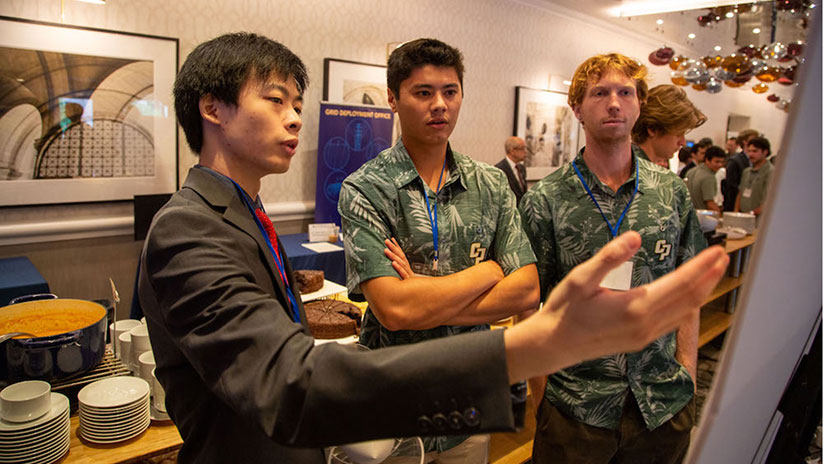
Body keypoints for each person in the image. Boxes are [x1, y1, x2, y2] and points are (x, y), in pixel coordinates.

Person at [139, 33, 730, 464]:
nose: (294, 119)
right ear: (212, 108)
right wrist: (512, 317)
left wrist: (434, 288)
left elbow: (525, 289)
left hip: (464, 418)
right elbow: (305, 371)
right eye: (276, 101)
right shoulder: (191, 227)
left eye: (297, 103)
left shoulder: (245, 211)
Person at [338, 39, 540, 463]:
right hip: (392, 404)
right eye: (423, 92)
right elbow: (394, 310)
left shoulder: (490, 184)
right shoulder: (366, 189)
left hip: (469, 398)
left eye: (450, 91)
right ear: (393, 98)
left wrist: (423, 296)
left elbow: (526, 291)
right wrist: (486, 273)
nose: (440, 105)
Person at [519, 53, 710, 464]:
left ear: (639, 105)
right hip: (575, 405)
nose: (613, 104)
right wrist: (542, 397)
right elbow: (529, 305)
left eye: (625, 93)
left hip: (661, 404)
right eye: (599, 93)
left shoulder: (671, 193)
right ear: (577, 108)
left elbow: (688, 289)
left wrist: (688, 377)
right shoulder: (545, 199)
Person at [632, 84, 706, 169]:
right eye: (678, 134)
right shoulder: (630, 170)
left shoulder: (634, 166)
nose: (683, 142)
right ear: (653, 129)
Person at [735, 136, 774, 216]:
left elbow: (769, 200)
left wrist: (751, 214)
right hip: (742, 216)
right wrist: (736, 213)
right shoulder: (746, 172)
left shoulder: (770, 172)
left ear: (765, 152)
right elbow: (740, 194)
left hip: (758, 218)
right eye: (749, 151)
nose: (751, 154)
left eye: (755, 151)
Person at [722, 129, 759, 211]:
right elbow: (731, 185)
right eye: (753, 139)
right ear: (744, 141)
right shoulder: (735, 161)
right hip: (734, 203)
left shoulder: (755, 161)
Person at [686, 146, 727, 213]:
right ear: (707, 160)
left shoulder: (691, 171)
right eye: (717, 162)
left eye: (722, 162)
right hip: (702, 215)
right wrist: (719, 216)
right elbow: (710, 204)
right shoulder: (709, 177)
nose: (720, 165)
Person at [495, 136, 529, 203]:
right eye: (522, 148)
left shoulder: (521, 168)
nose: (525, 152)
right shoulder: (499, 169)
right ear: (512, 151)